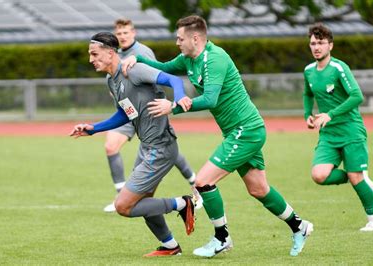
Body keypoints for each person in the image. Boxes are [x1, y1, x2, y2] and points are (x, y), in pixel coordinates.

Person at [123, 15, 312, 257]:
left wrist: (174, 107)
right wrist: (136, 58)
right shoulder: (188, 59)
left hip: (246, 130)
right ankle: (300, 226)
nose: (177, 43)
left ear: (195, 38)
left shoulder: (215, 59)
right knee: (258, 189)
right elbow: (163, 67)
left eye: (180, 39)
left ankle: (222, 238)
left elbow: (210, 99)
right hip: (237, 131)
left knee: (202, 181)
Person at [69, 32, 196, 257]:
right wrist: (94, 128)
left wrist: (177, 99)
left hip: (161, 147)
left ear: (110, 52)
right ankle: (170, 246)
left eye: (94, 54)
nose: (91, 59)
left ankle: (183, 204)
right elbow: (126, 112)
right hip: (146, 147)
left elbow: (174, 79)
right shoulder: (111, 80)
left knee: (123, 206)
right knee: (144, 202)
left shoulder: (134, 70)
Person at [102, 18, 201, 212]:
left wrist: (169, 101)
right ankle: (121, 194)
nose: (122, 36)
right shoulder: (116, 55)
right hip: (128, 110)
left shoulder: (142, 53)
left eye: (125, 33)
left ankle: (195, 183)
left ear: (134, 33)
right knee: (111, 146)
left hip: (148, 111)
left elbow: (158, 77)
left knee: (163, 147)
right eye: (119, 34)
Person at [303, 23, 373, 231]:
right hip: (328, 135)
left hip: (350, 130)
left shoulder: (339, 68)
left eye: (320, 43)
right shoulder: (309, 71)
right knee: (319, 175)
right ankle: (357, 177)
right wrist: (307, 115)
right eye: (313, 43)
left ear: (330, 45)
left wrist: (330, 114)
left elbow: (357, 96)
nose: (316, 47)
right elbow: (307, 94)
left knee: (356, 177)